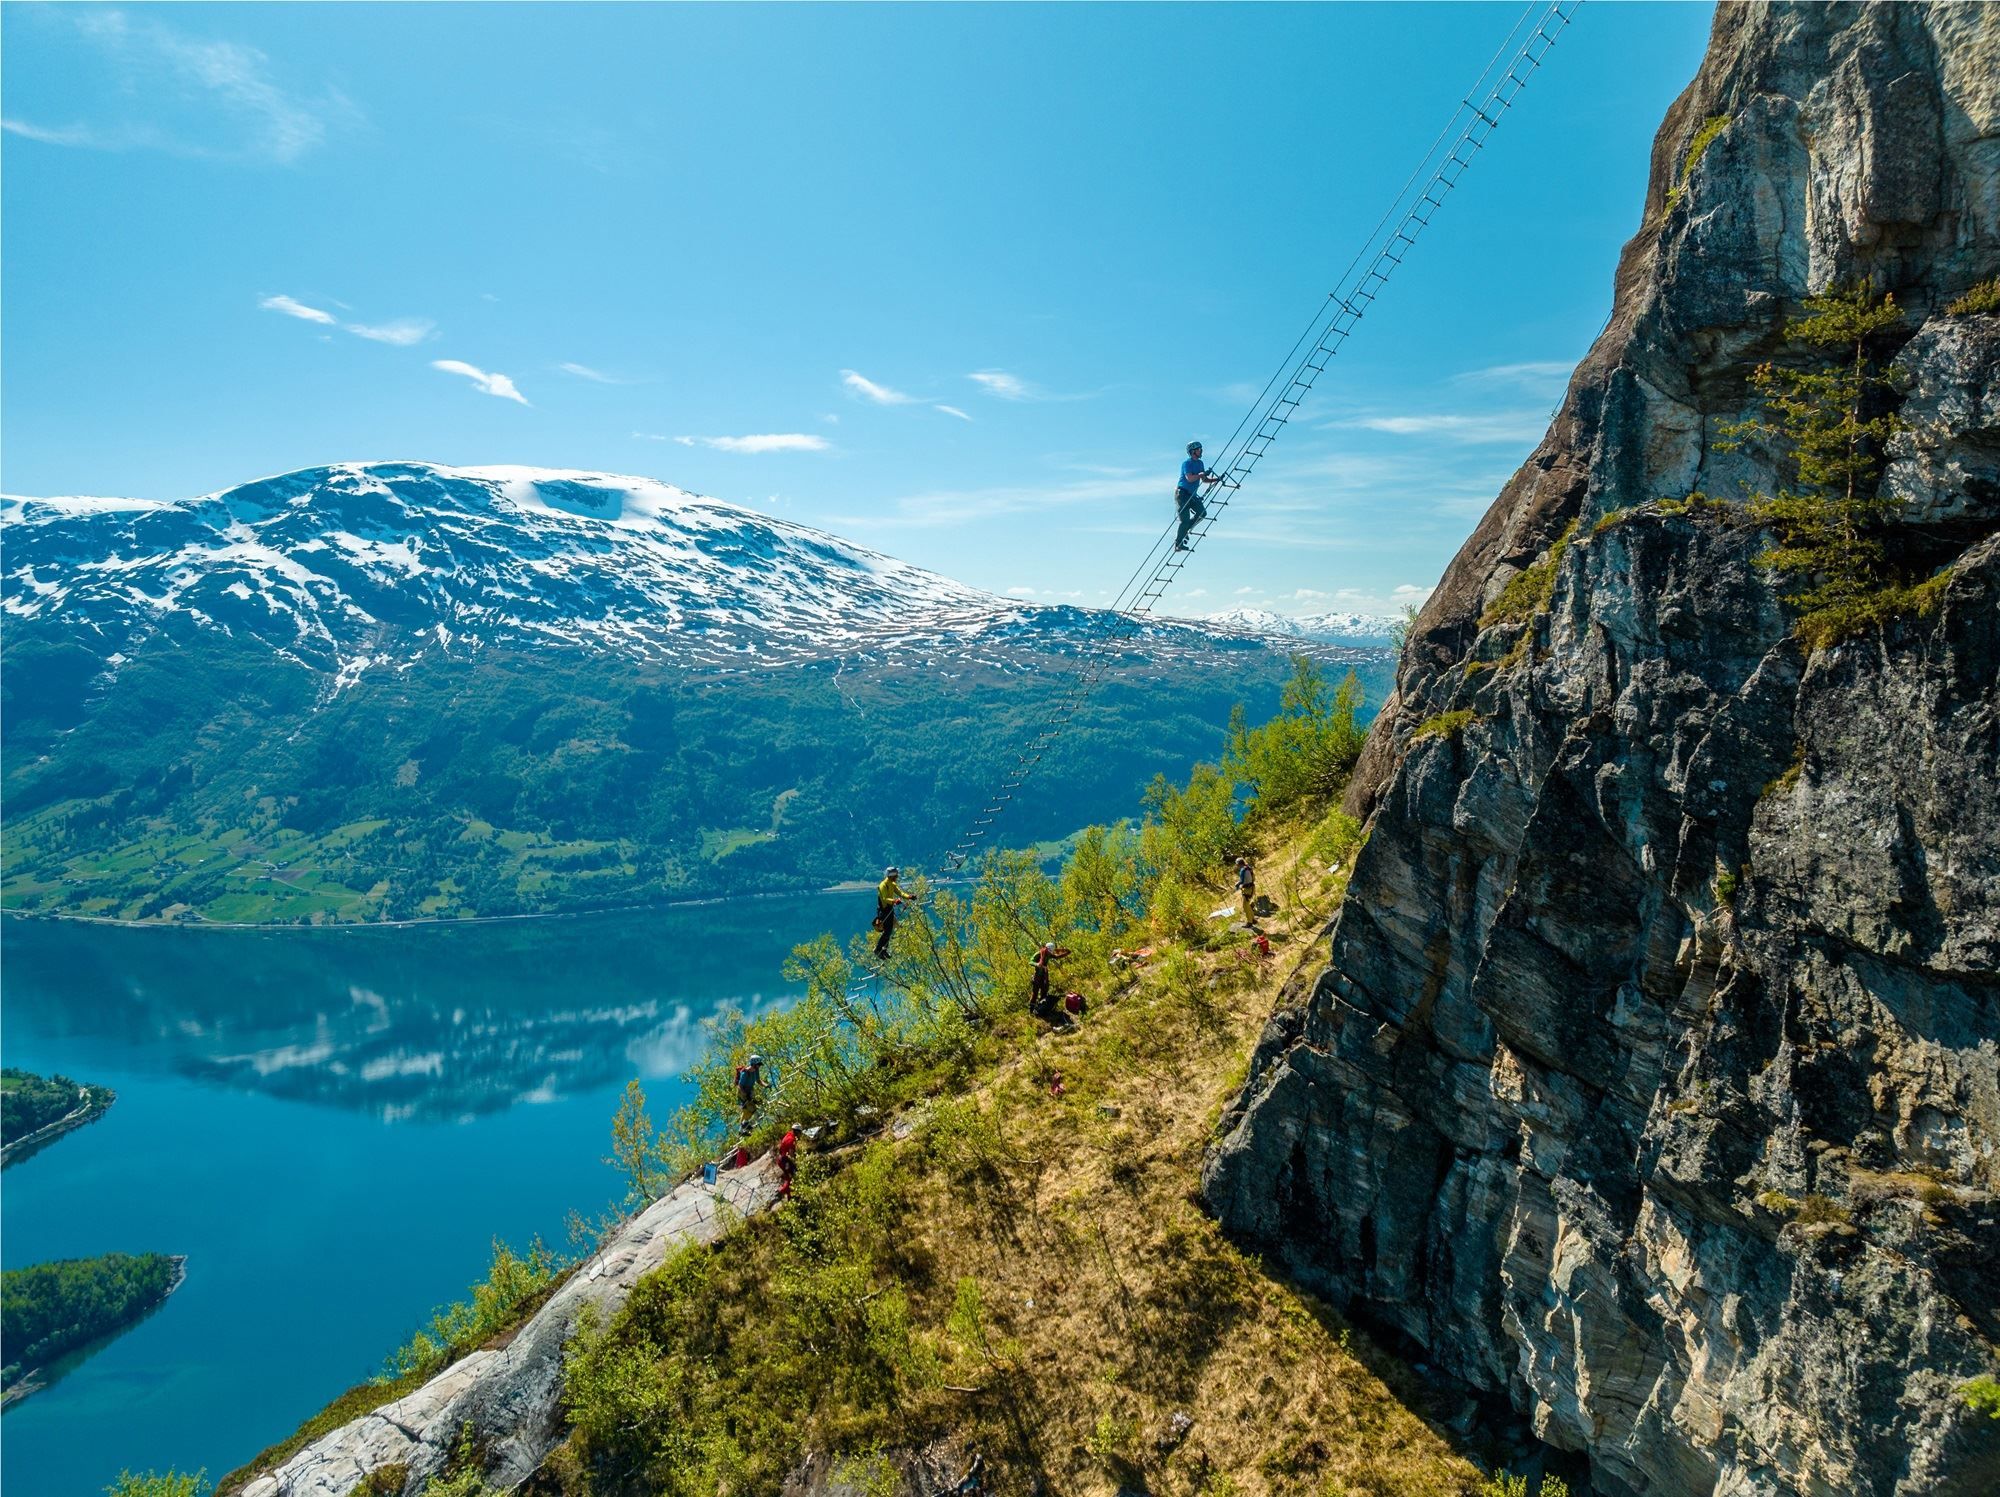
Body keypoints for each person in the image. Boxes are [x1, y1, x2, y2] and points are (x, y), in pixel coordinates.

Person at [1174, 441, 1226, 551]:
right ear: (1193, 451)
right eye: (1199, 449)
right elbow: (1190, 478)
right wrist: (1200, 475)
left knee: (1202, 513)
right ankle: (1178, 544)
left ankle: (1184, 531)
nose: (1201, 451)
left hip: (1191, 495)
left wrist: (1217, 479)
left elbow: (1204, 479)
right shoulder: (1187, 463)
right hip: (1182, 494)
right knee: (1185, 520)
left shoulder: (1200, 463)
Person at [874, 865, 915, 959]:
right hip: (883, 911)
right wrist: (894, 901)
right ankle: (878, 949)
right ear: (892, 875)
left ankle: (884, 950)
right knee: (887, 931)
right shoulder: (883, 885)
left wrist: (909, 897)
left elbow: (900, 892)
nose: (897, 877)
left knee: (889, 931)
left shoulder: (892, 884)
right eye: (896, 875)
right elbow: (884, 898)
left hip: (889, 910)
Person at [1028, 941, 1071, 1020]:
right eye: (1049, 951)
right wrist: (1037, 964)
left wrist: (1065, 953)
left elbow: (1056, 957)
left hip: (1043, 976)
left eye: (1050, 951)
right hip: (1037, 976)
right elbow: (1030, 961)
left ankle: (1041, 1010)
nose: (1049, 952)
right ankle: (1031, 1012)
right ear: (1046, 949)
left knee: (1044, 993)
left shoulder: (1048, 954)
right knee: (1035, 994)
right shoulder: (1039, 953)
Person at [735, 1053, 764, 1125]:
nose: (759, 1066)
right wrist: (745, 1095)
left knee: (747, 1111)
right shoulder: (745, 1073)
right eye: (758, 1064)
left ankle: (742, 1127)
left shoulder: (756, 1071)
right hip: (743, 1093)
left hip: (750, 1091)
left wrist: (766, 1085)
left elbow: (758, 1081)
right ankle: (746, 1125)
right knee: (752, 1109)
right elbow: (740, 1086)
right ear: (753, 1064)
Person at [776, 1122, 800, 1199]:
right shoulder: (791, 1140)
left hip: (781, 1159)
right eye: (800, 1132)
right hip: (785, 1161)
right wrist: (796, 1162)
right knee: (791, 1176)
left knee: (788, 1177)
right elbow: (791, 1154)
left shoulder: (788, 1135)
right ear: (797, 1131)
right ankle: (782, 1191)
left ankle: (788, 1195)